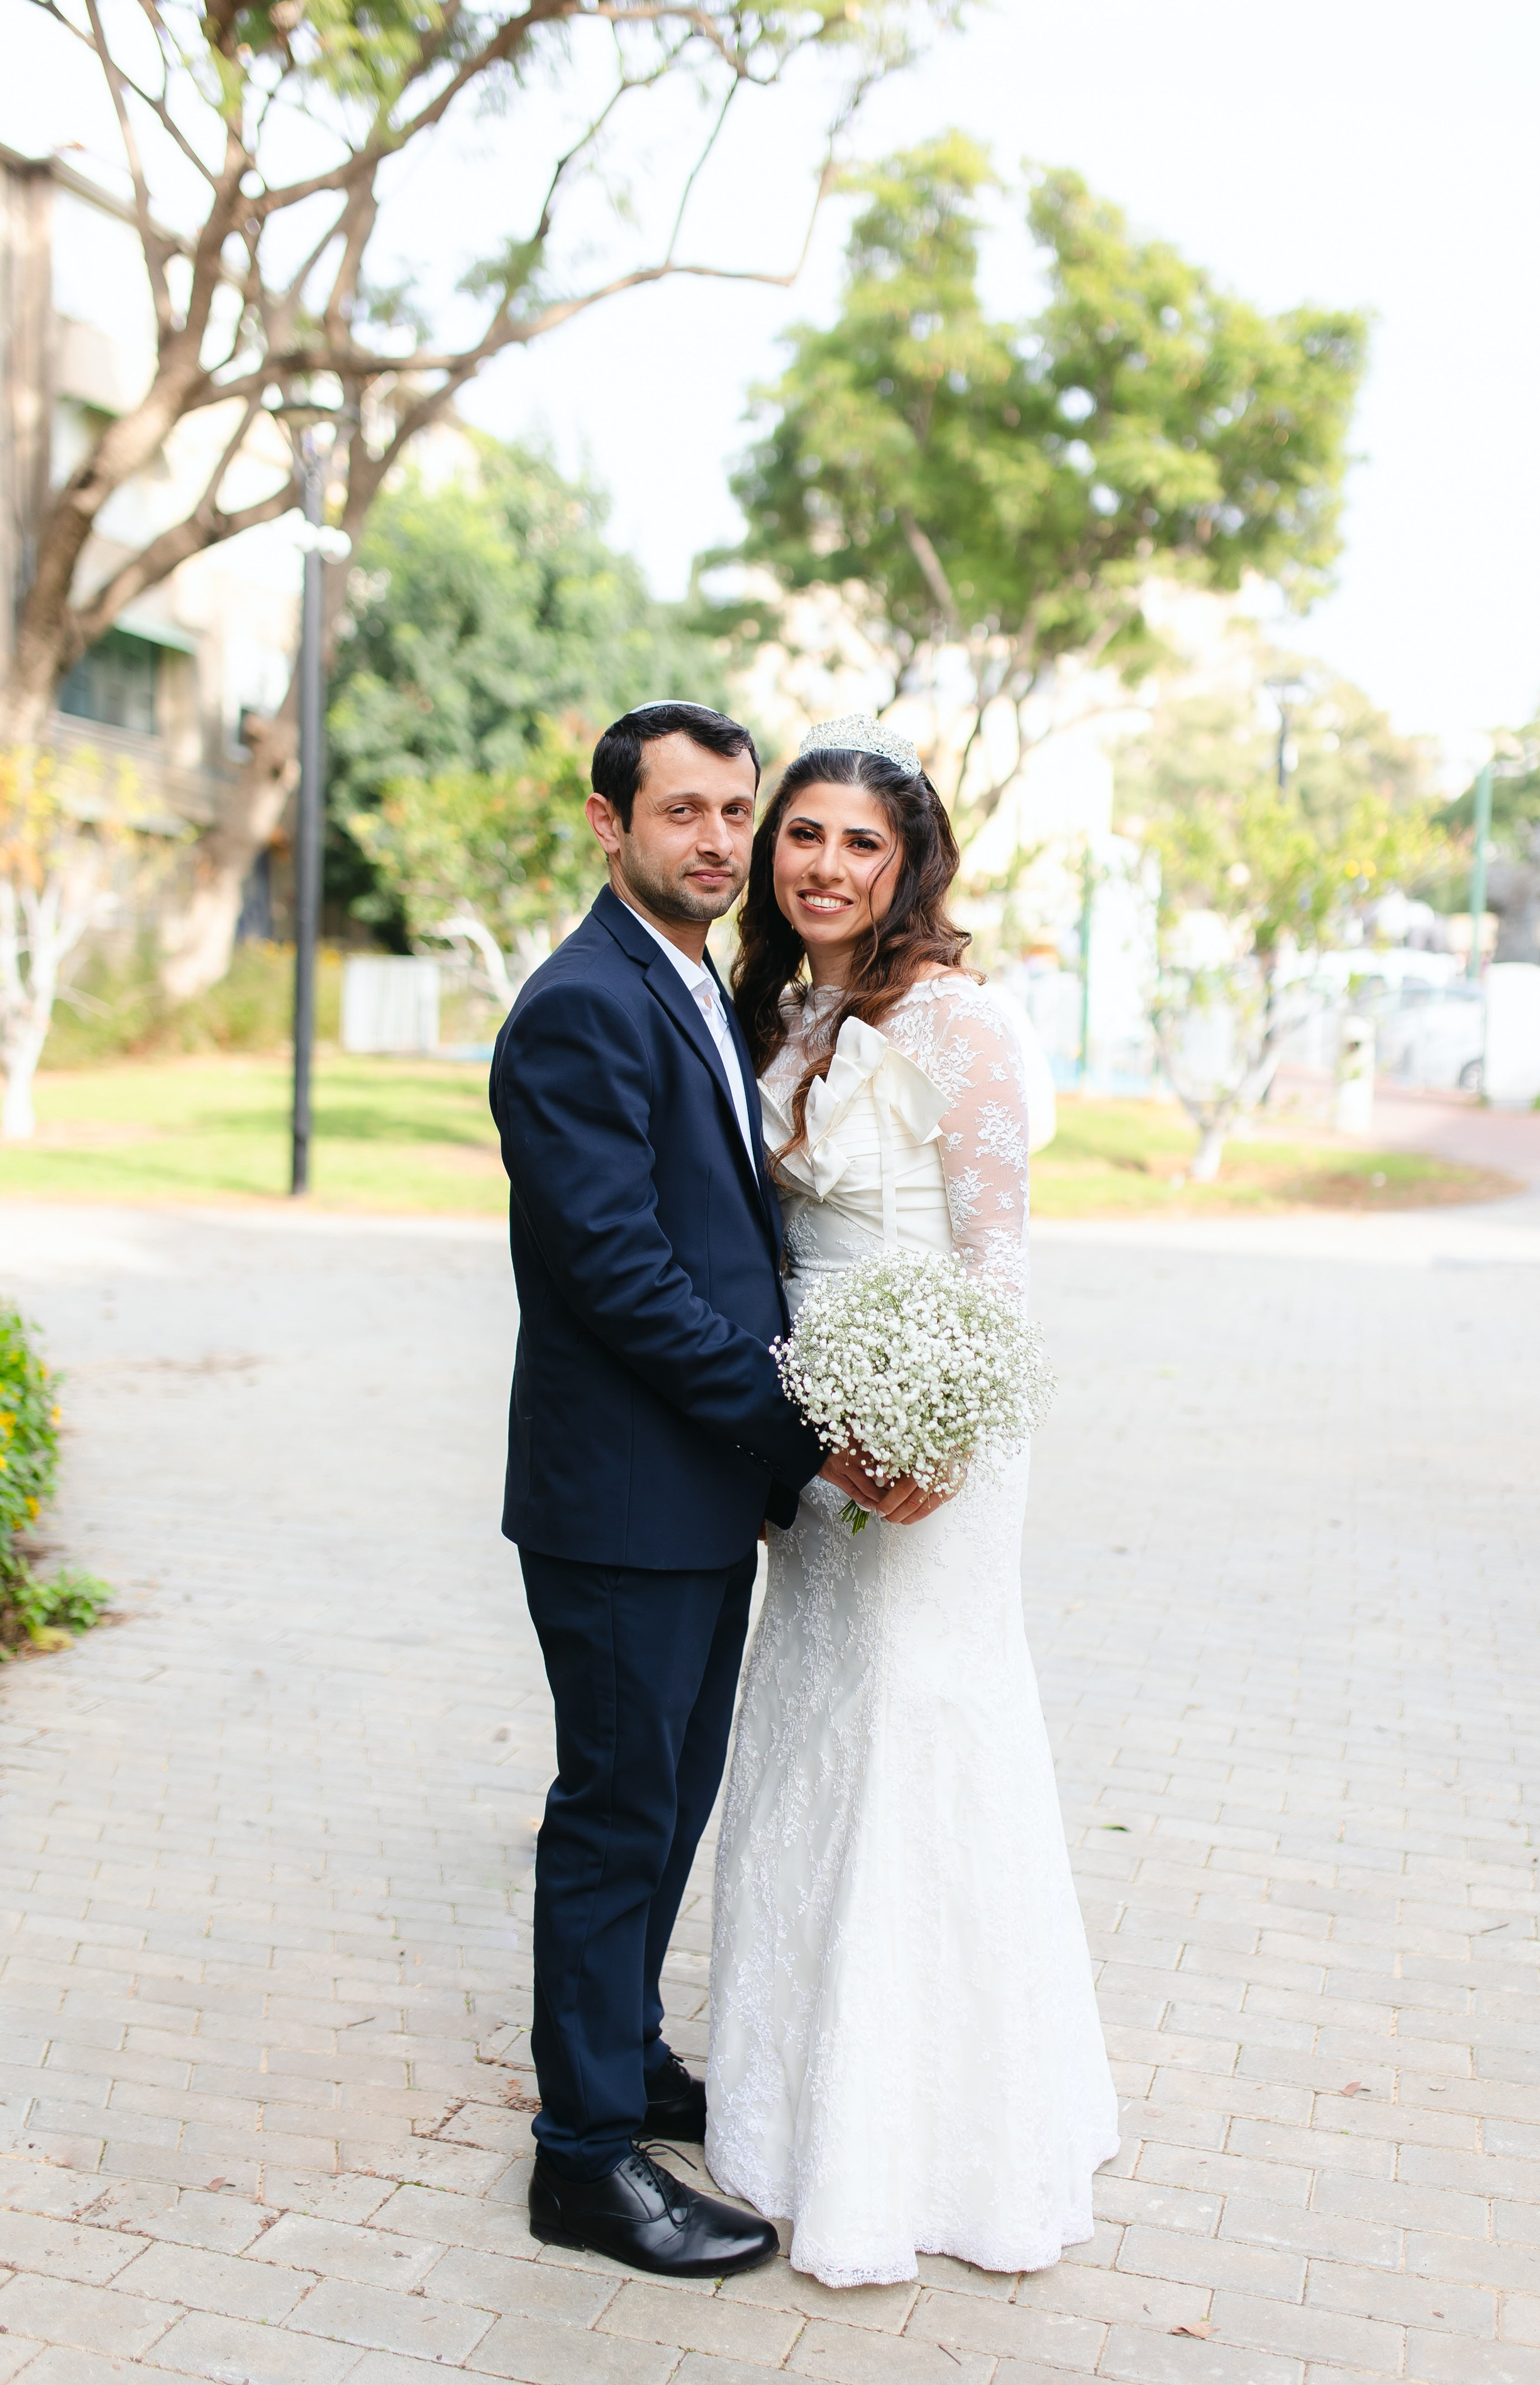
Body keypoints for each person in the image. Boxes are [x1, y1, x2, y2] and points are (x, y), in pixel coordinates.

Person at [489, 701, 936, 2283]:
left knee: (665, 1799)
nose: (718, 841)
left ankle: (621, 2062)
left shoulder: (687, 979)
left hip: (685, 1495)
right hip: (619, 1496)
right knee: (615, 1817)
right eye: (682, 811)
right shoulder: (578, 1005)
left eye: (733, 812)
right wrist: (806, 1432)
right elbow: (619, 1273)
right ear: (608, 824)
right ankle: (582, 2162)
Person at [706, 713, 1121, 2286]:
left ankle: (932, 2143)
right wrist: (795, 1437)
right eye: (799, 835)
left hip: (929, 1422)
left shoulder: (954, 1021)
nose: (822, 864)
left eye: (857, 842)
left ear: (907, 863)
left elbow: (995, 1258)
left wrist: (934, 1436)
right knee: (817, 1730)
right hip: (814, 1430)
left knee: (917, 1732)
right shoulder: (791, 1009)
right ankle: (795, 2111)